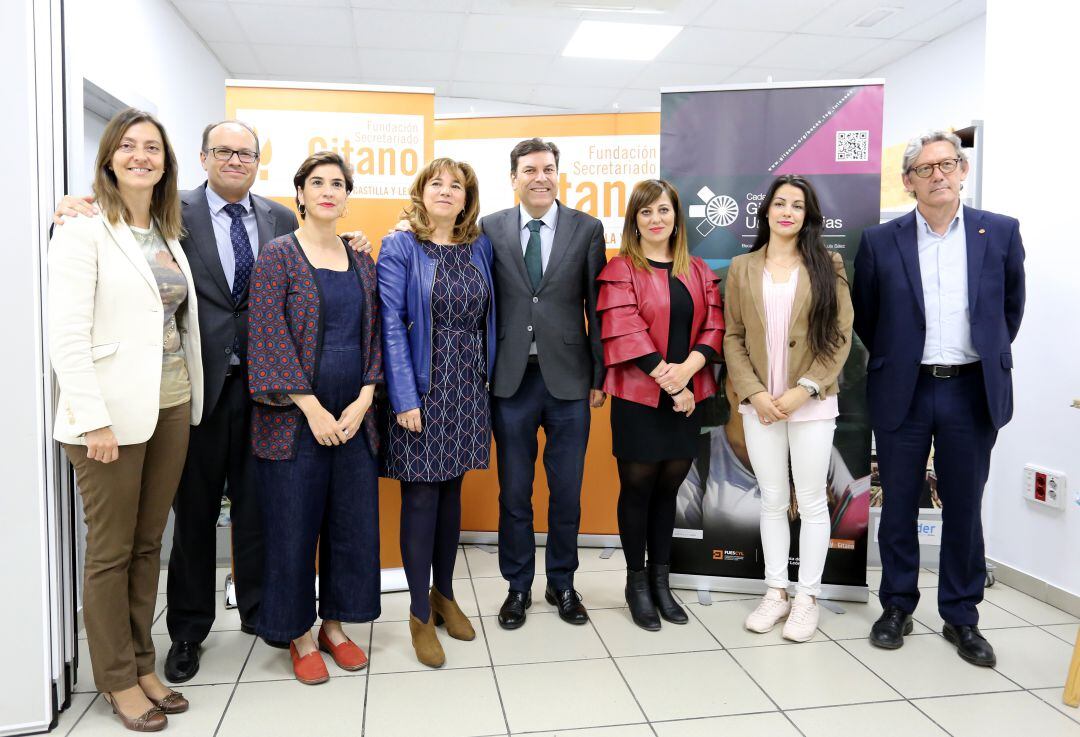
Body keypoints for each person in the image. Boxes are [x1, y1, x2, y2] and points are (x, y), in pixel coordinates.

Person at [50, 121, 362, 682]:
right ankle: (189, 630)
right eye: (224, 151)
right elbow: (125, 234)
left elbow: (314, 257)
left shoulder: (280, 217)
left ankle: (264, 613)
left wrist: (355, 241)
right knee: (193, 514)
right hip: (197, 388)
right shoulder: (176, 211)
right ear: (201, 158)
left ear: (259, 162)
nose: (235, 160)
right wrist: (75, 203)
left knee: (261, 508)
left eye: (246, 153)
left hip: (273, 392)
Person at [49, 108, 203, 731]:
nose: (142, 156)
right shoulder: (84, 228)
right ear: (110, 156)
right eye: (129, 146)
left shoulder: (168, 230)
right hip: (107, 416)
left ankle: (143, 661)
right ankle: (115, 678)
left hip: (169, 407)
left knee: (148, 547)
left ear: (165, 163)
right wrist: (94, 422)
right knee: (110, 554)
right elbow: (66, 336)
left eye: (154, 148)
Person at [853, 131, 1025, 667]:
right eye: (926, 169)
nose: (938, 175)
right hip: (904, 387)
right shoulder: (881, 241)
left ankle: (961, 616)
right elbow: (867, 315)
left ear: (962, 170)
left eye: (948, 164)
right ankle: (897, 606)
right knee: (899, 503)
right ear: (908, 182)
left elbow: (1009, 310)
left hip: (971, 388)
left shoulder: (998, 232)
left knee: (964, 506)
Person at [246, 151, 382, 684]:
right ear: (299, 193)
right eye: (318, 183)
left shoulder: (361, 259)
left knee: (350, 527)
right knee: (292, 528)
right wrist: (311, 407)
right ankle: (298, 633)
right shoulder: (278, 255)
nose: (329, 191)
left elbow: (376, 333)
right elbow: (267, 336)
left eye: (339, 184)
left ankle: (335, 626)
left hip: (353, 416)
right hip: (294, 419)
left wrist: (366, 398)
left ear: (347, 196)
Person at [723, 174, 853, 642]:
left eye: (797, 206)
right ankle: (776, 592)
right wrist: (754, 393)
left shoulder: (827, 264)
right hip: (760, 405)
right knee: (774, 500)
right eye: (780, 203)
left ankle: (806, 598)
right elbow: (733, 336)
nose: (787, 212)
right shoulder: (742, 267)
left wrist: (806, 389)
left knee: (813, 502)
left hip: (811, 405)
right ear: (766, 211)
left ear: (807, 216)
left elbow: (839, 336)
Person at [377, 158, 495, 667]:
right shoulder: (400, 245)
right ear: (421, 192)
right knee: (422, 498)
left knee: (452, 494)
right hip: (422, 386)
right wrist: (403, 397)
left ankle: (444, 595)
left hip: (468, 384)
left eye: (457, 186)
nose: (446, 192)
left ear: (467, 199)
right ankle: (417, 615)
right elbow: (390, 323)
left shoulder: (480, 246)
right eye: (437, 184)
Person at [486, 139, 607, 630]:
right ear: (513, 177)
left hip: (570, 381)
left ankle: (562, 582)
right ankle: (518, 587)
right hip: (510, 381)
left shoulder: (587, 229)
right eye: (530, 169)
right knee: (514, 492)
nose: (541, 177)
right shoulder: (488, 229)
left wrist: (600, 374)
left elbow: (596, 308)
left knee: (567, 492)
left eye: (549, 169)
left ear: (559, 175)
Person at [596, 179, 724, 631]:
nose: (656, 219)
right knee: (637, 490)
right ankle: (636, 585)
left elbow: (714, 328)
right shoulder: (620, 269)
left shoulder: (699, 269)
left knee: (669, 489)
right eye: (646, 212)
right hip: (639, 397)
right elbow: (625, 330)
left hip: (686, 397)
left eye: (664, 210)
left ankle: (661, 580)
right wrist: (671, 381)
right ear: (635, 219)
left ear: (676, 217)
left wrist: (687, 372)